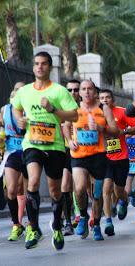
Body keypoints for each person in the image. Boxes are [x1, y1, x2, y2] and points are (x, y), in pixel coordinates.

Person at [12, 51, 78, 250]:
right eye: (36, 64)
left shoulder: (59, 91)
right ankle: (33, 228)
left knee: (55, 191)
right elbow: (16, 107)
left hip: (55, 145)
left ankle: (57, 226)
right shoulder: (24, 92)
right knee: (32, 181)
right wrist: (19, 119)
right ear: (33, 67)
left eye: (43, 64)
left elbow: (74, 116)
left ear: (49, 67)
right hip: (32, 143)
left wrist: (53, 110)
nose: (39, 67)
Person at [65, 80, 117, 241]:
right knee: (79, 189)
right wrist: (69, 140)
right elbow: (65, 126)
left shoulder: (103, 108)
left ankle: (96, 225)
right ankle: (82, 215)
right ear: (79, 92)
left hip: (99, 156)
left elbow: (115, 130)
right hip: (79, 156)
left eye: (90, 89)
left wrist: (101, 128)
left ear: (95, 92)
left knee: (97, 195)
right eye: (83, 89)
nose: (87, 92)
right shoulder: (73, 109)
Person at [99, 88, 135, 236]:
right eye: (102, 98)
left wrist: (127, 132)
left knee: (119, 191)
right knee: (106, 189)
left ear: (112, 99)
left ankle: (124, 200)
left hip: (121, 158)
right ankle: (108, 222)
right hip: (105, 158)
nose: (104, 100)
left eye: (107, 97)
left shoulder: (122, 112)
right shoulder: (96, 114)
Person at [0, 82, 28, 241]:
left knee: (29, 190)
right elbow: (1, 128)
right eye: (16, 90)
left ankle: (32, 224)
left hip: (29, 151)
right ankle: (16, 224)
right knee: (11, 190)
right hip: (12, 153)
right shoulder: (5, 109)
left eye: (22, 90)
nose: (18, 92)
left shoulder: (30, 108)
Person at [61, 79, 81, 236]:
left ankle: (84, 216)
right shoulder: (60, 108)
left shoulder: (87, 108)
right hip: (65, 150)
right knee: (65, 185)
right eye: (70, 90)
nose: (73, 93)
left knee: (82, 187)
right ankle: (68, 222)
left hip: (86, 152)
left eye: (76, 90)